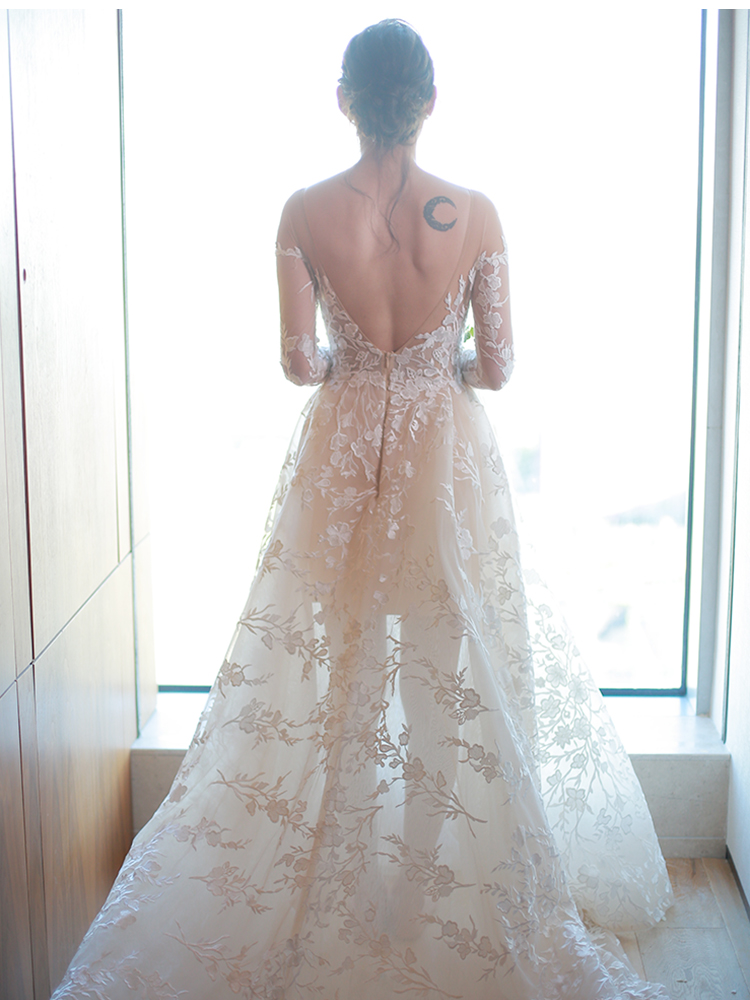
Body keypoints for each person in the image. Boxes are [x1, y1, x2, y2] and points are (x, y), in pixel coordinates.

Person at [53, 20, 673, 1000]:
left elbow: (299, 362)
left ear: (343, 99)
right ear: (430, 102)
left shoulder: (302, 211)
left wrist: (358, 365)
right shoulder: (475, 213)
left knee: (334, 670)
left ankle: (332, 887)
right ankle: (417, 894)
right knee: (440, 672)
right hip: (443, 464)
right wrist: (433, 363)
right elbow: (499, 366)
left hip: (341, 461)